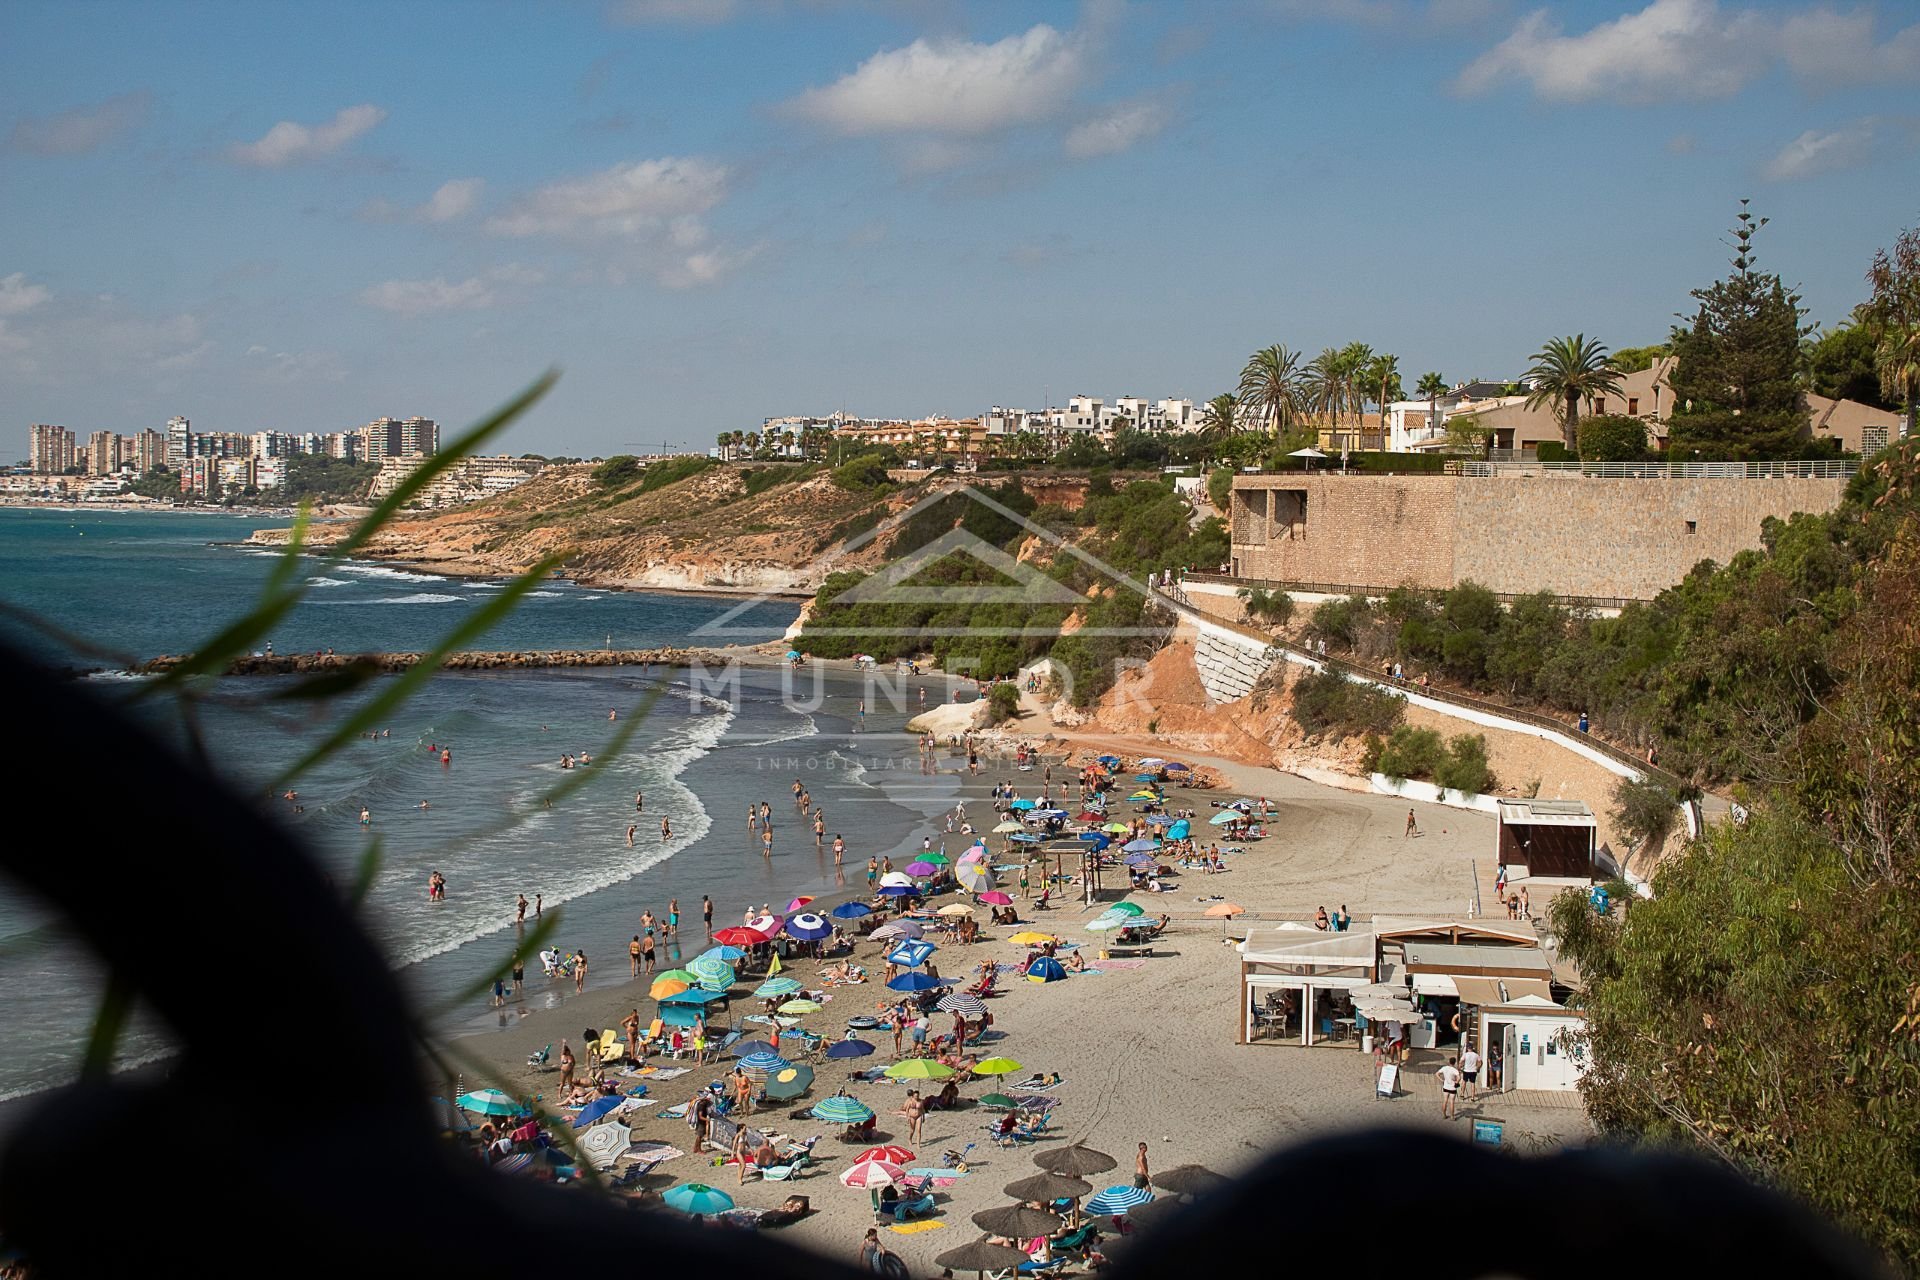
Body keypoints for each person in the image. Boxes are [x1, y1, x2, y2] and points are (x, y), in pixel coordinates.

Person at [1438, 1055, 1462, 1120]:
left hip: (1445, 1086)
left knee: (1445, 1101)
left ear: (1449, 1062)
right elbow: (1459, 1078)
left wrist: (1442, 1080)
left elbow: (1437, 1074)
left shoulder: (1444, 1068)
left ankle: (1444, 1115)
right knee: (1452, 1102)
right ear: (1455, 1062)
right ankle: (1452, 1116)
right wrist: (1456, 1082)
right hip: (1452, 1087)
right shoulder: (1455, 1070)